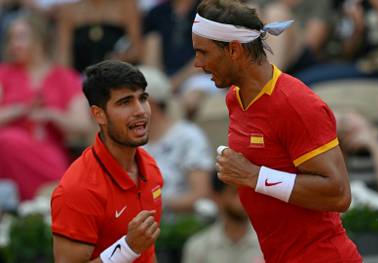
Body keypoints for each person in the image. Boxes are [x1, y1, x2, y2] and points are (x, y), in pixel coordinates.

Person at [191, 1, 361, 262]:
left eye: (203, 52)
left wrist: (254, 176)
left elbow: (338, 194)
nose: (197, 63)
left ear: (234, 50)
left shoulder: (297, 104)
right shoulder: (235, 98)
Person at [51, 60, 163, 263]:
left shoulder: (150, 166)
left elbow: (148, 253)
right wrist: (127, 249)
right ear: (98, 114)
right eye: (125, 102)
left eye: (142, 98)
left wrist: (136, 248)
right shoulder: (77, 189)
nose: (140, 110)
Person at [0, 13, 91, 200]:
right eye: (11, 37)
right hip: (6, 151)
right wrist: (18, 110)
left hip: (48, 152)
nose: (14, 43)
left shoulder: (64, 77)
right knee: (7, 140)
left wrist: (51, 114)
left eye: (21, 37)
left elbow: (83, 125)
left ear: (39, 38)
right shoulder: (4, 74)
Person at [139, 66, 212, 216]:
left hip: (180, 226)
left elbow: (201, 194)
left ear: (150, 102)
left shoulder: (188, 136)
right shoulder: (130, 141)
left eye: (132, 100)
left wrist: (151, 204)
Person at [182, 171, 263, 263]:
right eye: (236, 193)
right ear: (217, 197)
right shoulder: (198, 247)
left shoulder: (269, 244)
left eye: (248, 192)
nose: (245, 199)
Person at [56, 0, 142, 73]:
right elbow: (64, 56)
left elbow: (137, 50)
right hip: (81, 79)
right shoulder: (69, 12)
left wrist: (121, 58)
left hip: (118, 76)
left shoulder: (126, 7)